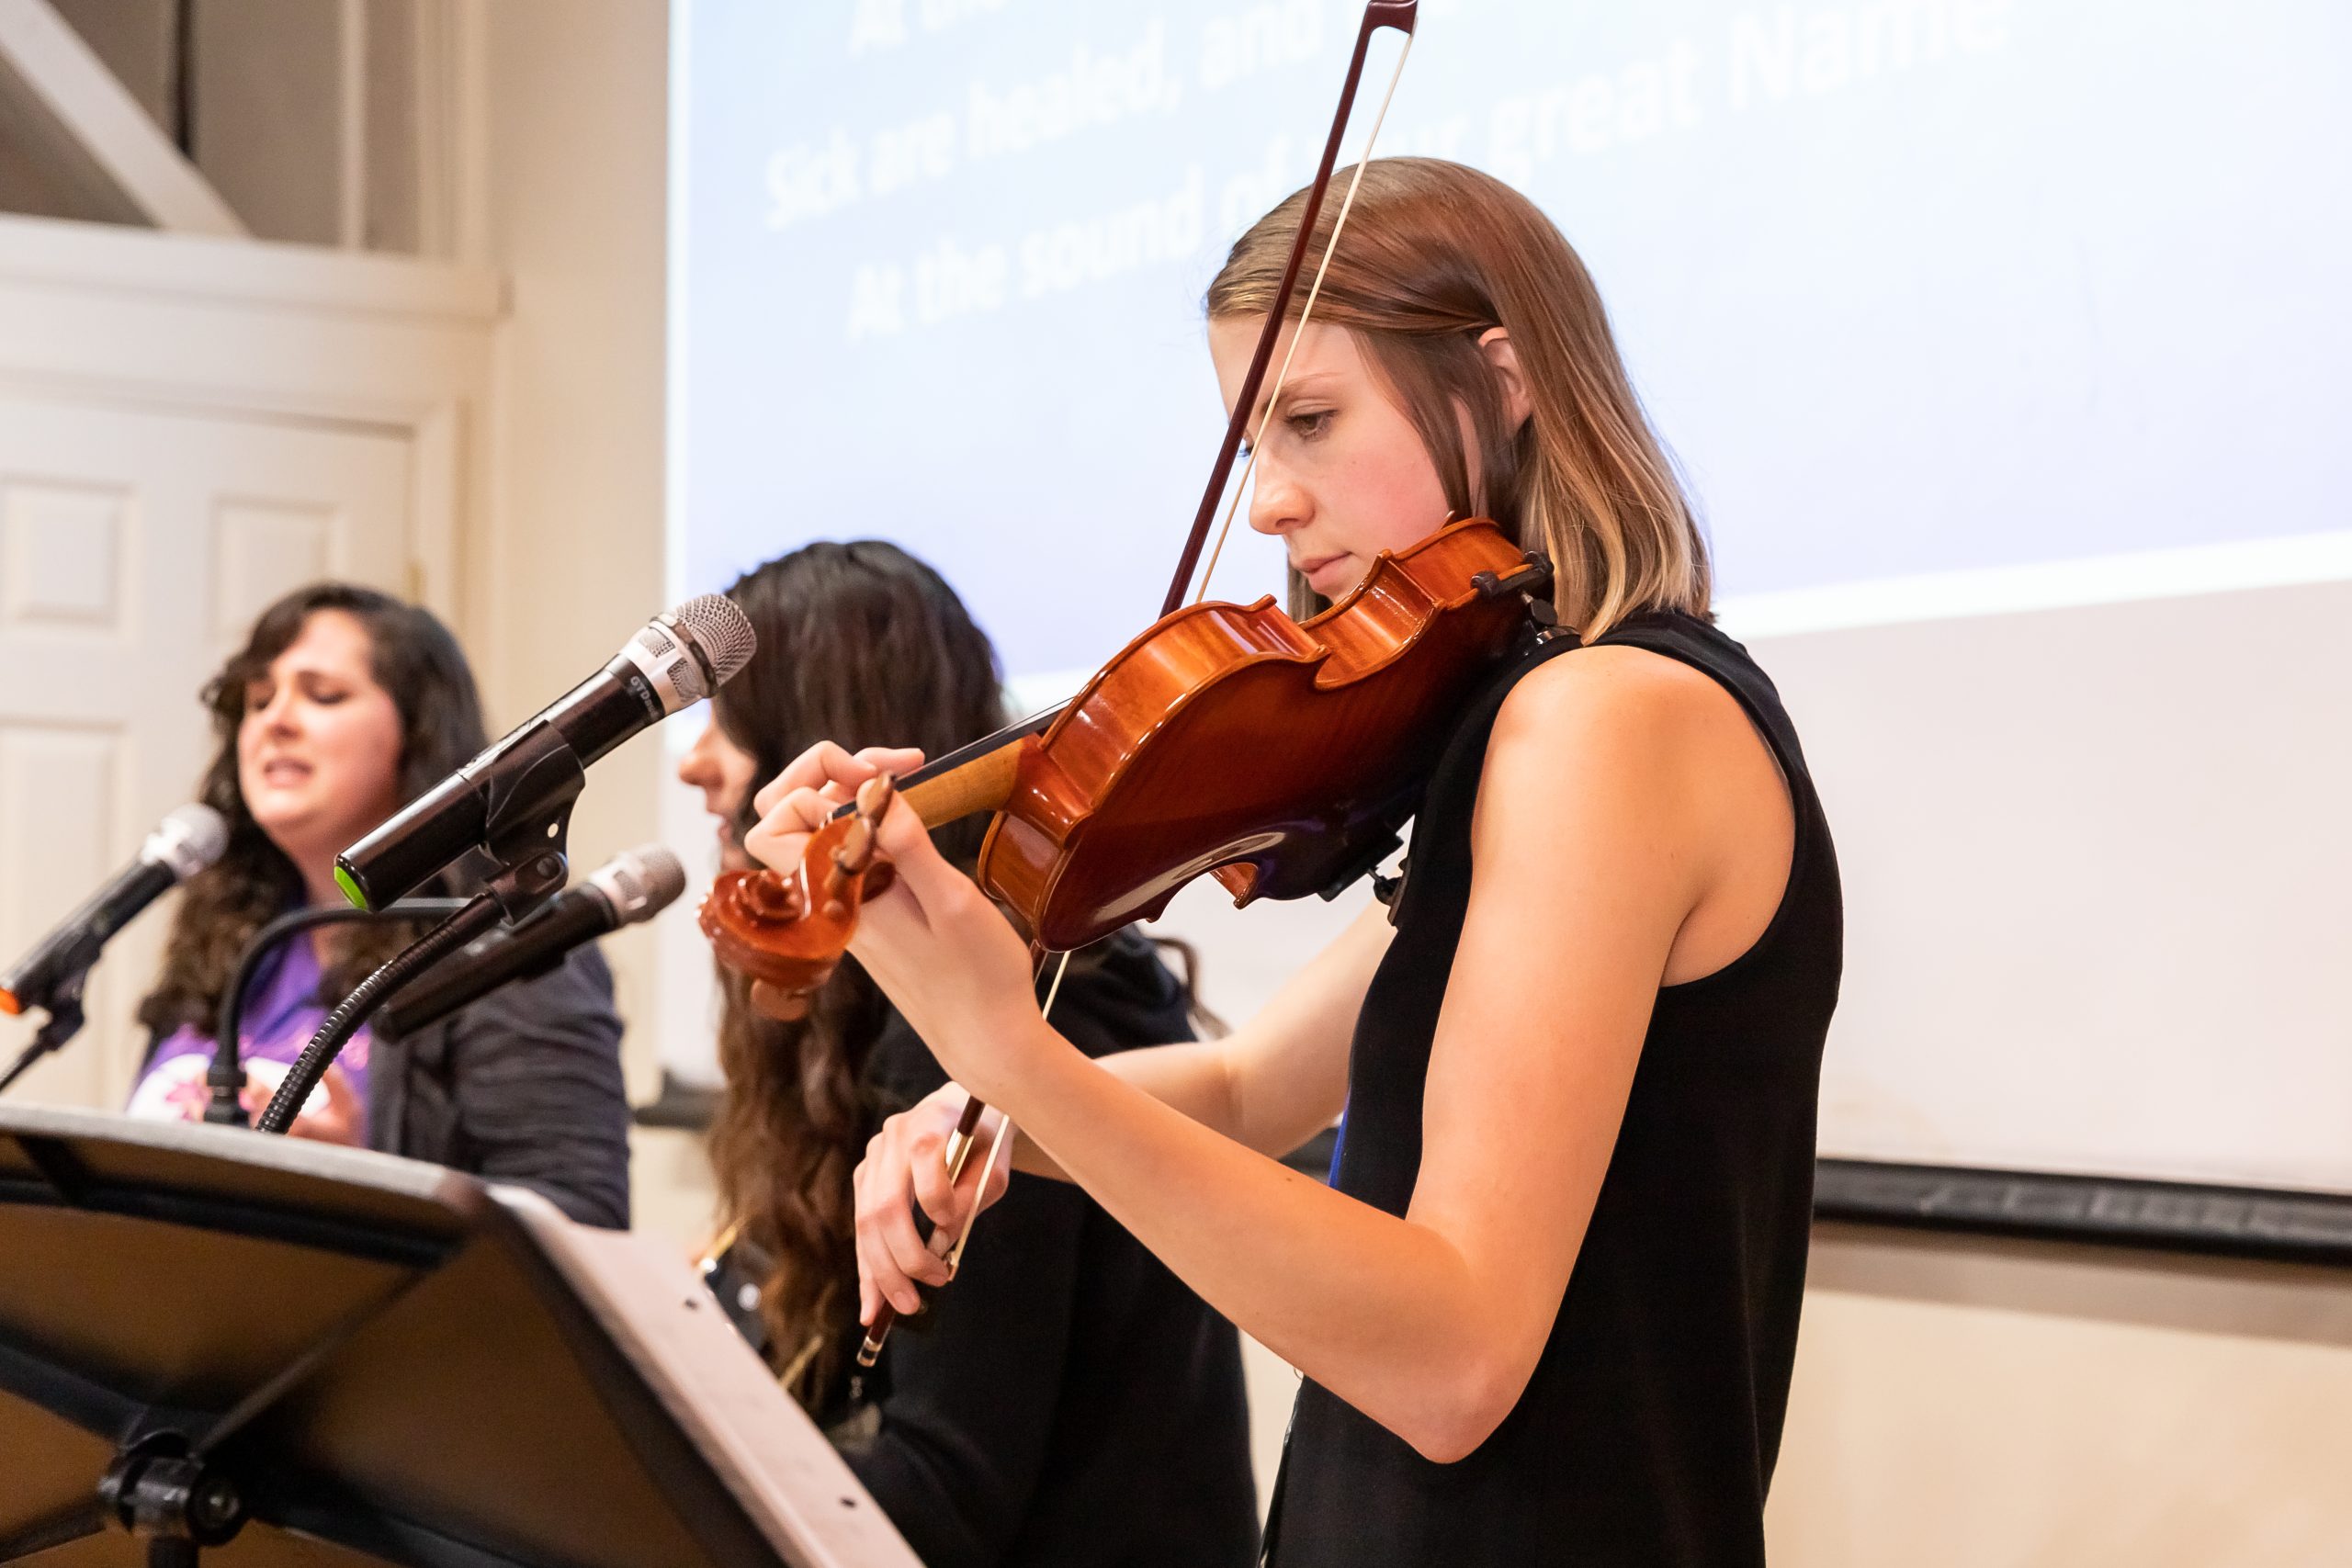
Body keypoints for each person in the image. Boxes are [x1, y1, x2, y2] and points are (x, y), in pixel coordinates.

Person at [748, 159, 1843, 1566]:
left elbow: (1455, 1353)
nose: (1267, 503)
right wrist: (983, 1109)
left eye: (1312, 422)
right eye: (1251, 446)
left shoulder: (1606, 719)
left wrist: (1009, 1051)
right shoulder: (1534, 722)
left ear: (1504, 380)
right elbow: (1251, 1086)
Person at [677, 539, 1258, 1568]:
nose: (693, 760)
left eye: (730, 718)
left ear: (820, 726)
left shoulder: (1027, 1005)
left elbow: (947, 1492)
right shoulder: (922, 1002)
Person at [130, 582, 632, 1228]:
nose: (275, 721)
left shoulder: (512, 943)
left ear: (416, 734)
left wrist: (366, 1185)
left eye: (323, 695)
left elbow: (580, 1215)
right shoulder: (229, 938)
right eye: (258, 700)